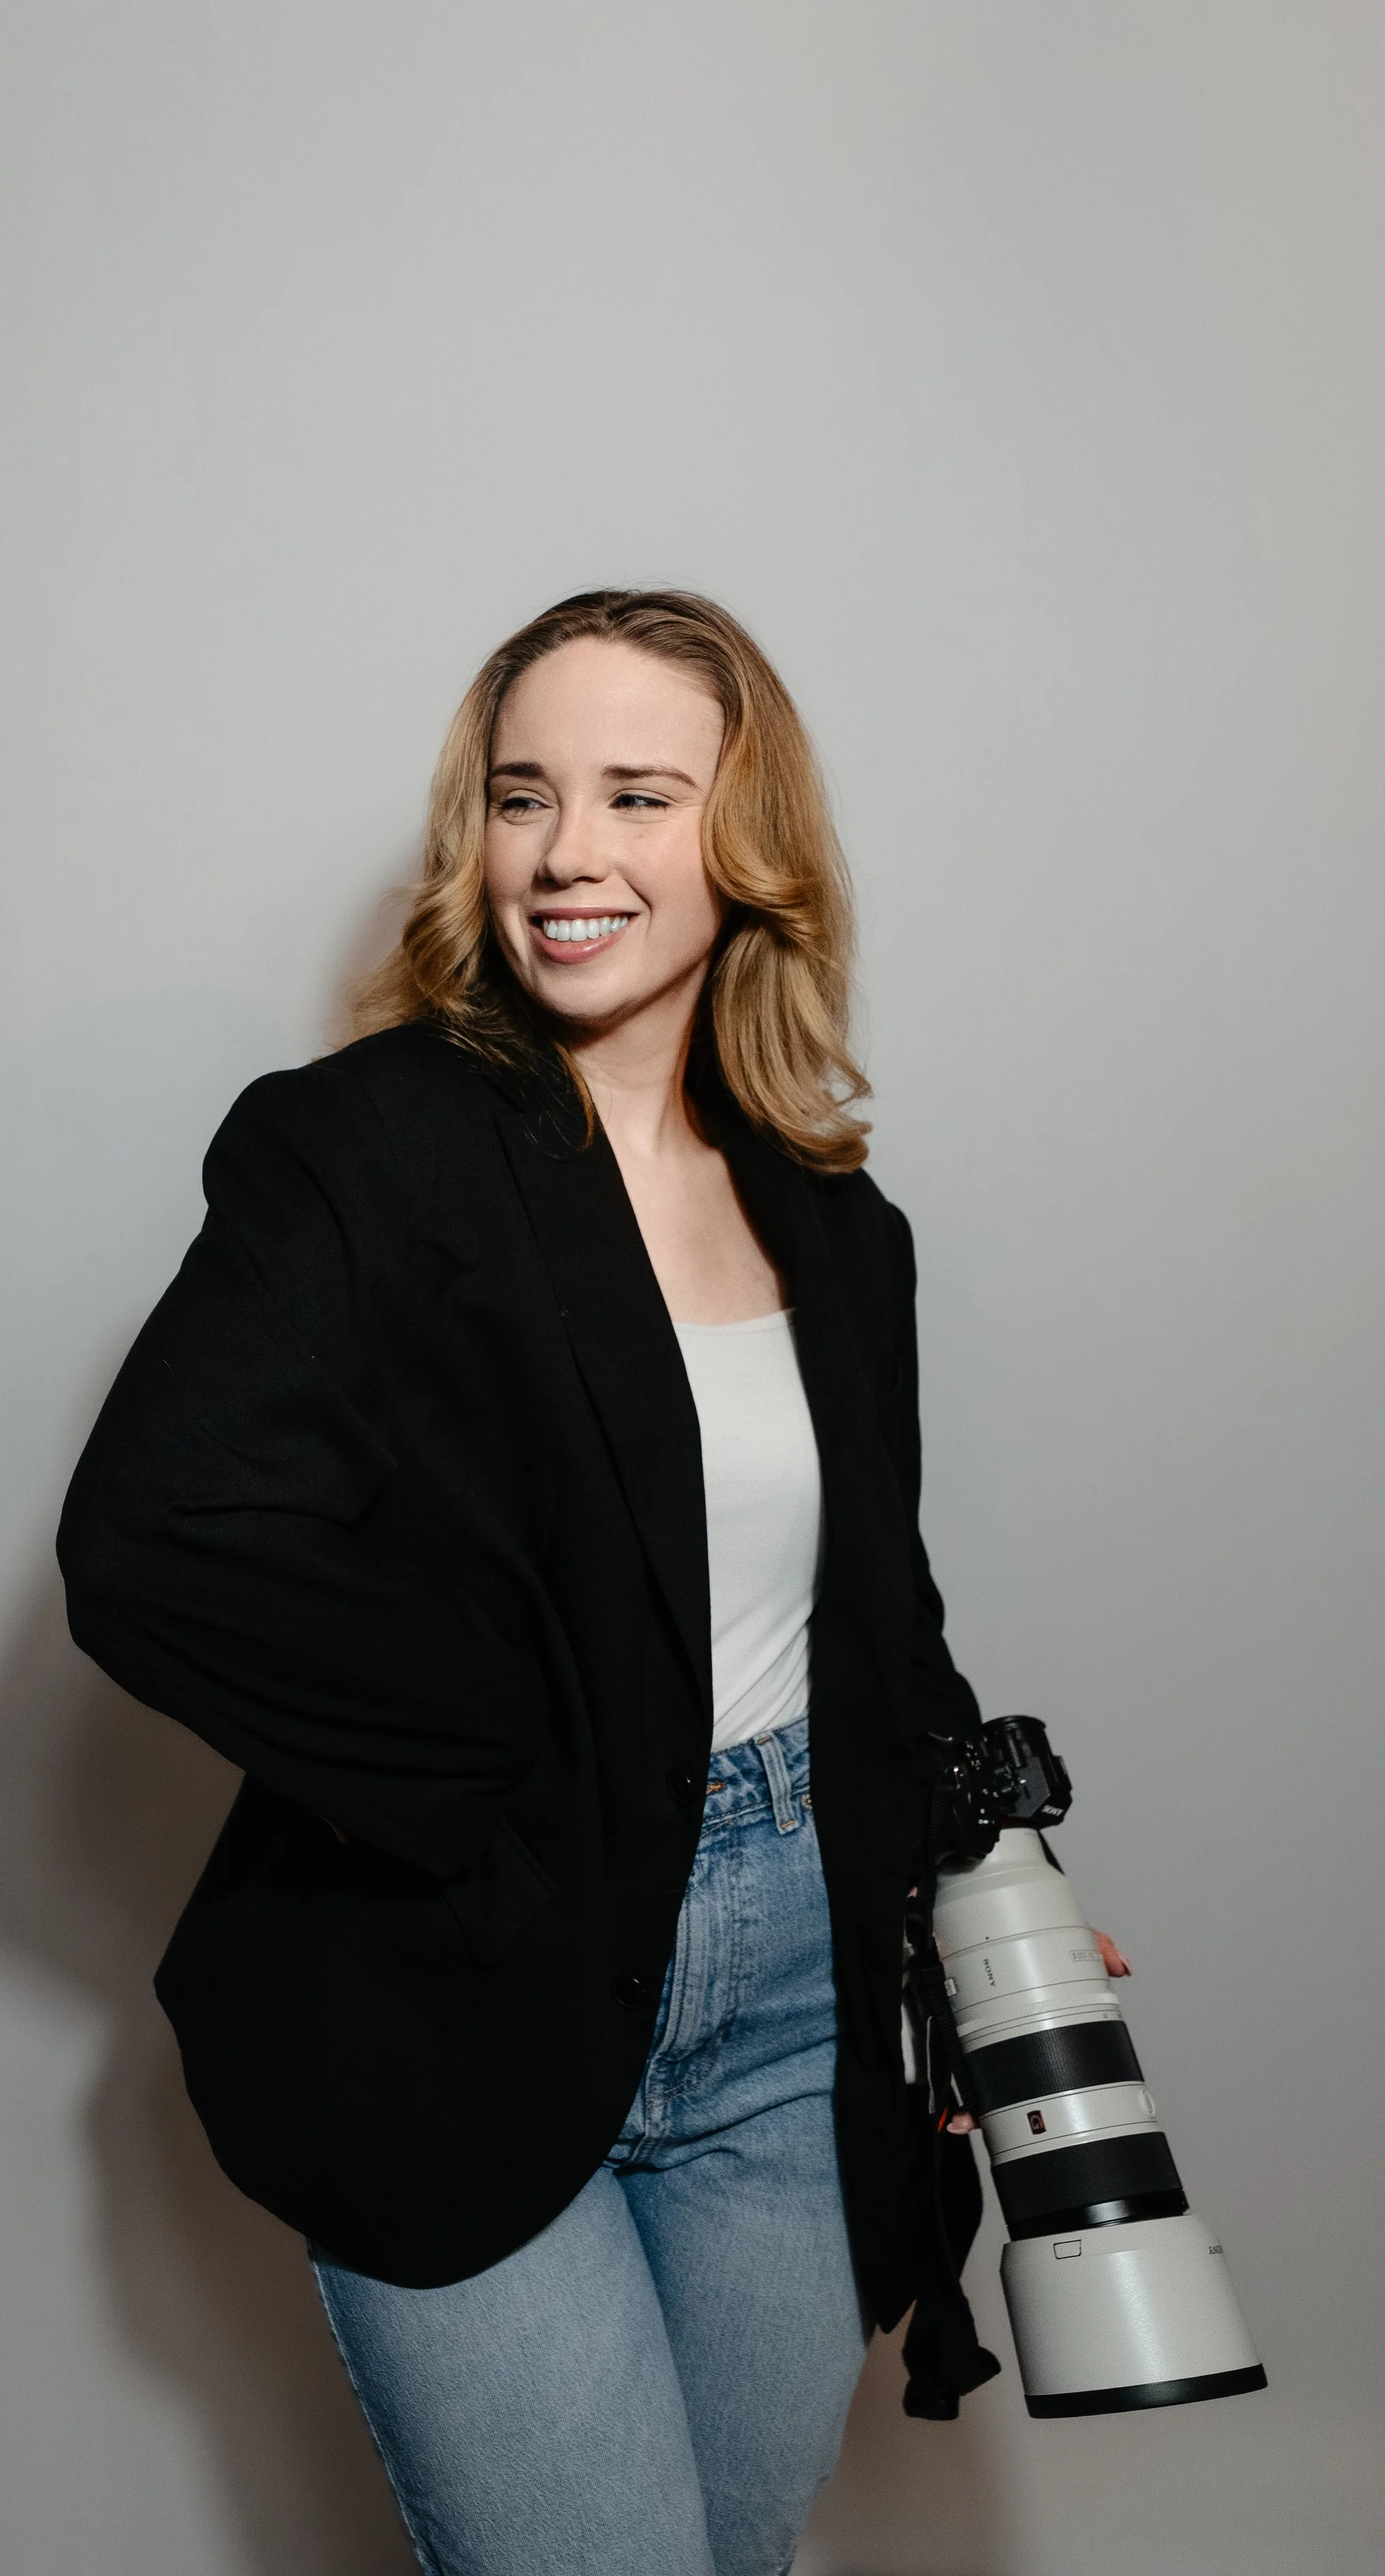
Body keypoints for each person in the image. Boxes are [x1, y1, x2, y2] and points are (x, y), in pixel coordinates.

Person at [56, 589, 1127, 2576]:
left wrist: (993, 1910)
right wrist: (511, 1756)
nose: (567, 854)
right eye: (521, 795)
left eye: (638, 795)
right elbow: (153, 1541)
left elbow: (875, 1611)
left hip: (802, 1987)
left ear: (746, 843)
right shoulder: (356, 1153)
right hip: (462, 1972)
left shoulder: (837, 1219)